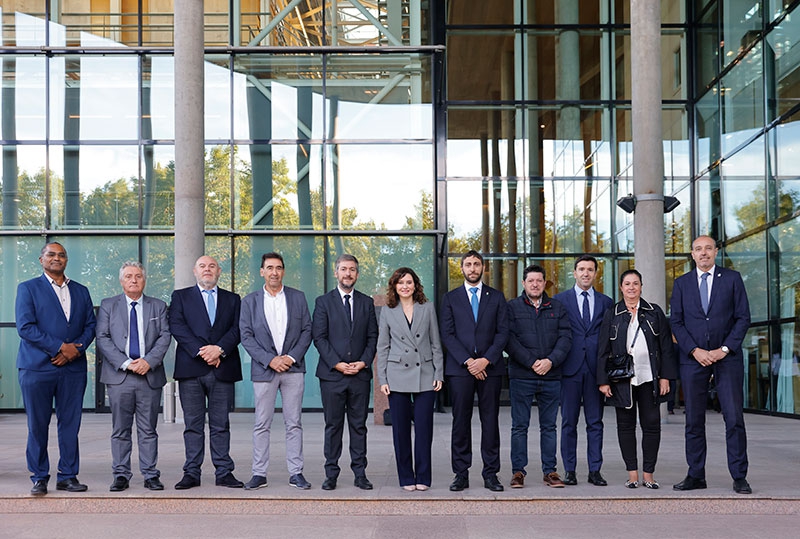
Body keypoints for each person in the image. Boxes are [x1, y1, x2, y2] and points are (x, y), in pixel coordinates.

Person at [670, 235, 752, 494]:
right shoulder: (681, 284)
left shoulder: (732, 279)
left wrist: (723, 349)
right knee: (693, 420)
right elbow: (676, 322)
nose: (703, 253)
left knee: (734, 417)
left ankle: (739, 476)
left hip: (726, 359)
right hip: (693, 360)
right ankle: (696, 475)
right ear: (692, 254)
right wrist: (695, 350)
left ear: (716, 251)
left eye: (708, 248)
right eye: (698, 249)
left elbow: (743, 318)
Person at [15, 242, 96, 496]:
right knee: (37, 425)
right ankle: (39, 476)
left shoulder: (81, 291)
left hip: (73, 370)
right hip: (37, 368)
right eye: (51, 254)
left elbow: (91, 325)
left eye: (61, 255)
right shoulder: (28, 288)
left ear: (66, 260)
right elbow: (25, 327)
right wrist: (60, 347)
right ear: (41, 259)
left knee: (70, 424)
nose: (56, 258)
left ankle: (68, 476)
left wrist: (76, 349)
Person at [597, 269, 677, 489]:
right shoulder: (612, 313)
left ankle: (648, 474)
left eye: (635, 283)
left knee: (652, 425)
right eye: (627, 284)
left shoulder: (654, 312)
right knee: (625, 426)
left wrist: (666, 377)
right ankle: (632, 474)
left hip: (650, 378)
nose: (631, 288)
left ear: (641, 286)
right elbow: (602, 349)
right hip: (622, 380)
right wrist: (603, 380)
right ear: (621, 287)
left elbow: (666, 349)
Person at [169, 255, 244, 489]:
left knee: (221, 423)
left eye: (212, 266)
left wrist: (219, 349)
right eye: (202, 266)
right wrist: (203, 352)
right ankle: (192, 472)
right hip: (191, 368)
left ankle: (224, 472)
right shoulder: (180, 297)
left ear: (219, 271)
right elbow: (177, 327)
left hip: (223, 367)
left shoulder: (233, 299)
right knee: (193, 424)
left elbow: (238, 328)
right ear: (195, 271)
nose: (207, 269)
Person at [96, 261, 172, 492]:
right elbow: (102, 338)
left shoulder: (158, 306)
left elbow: (165, 336)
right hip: (120, 376)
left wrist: (148, 361)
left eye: (138, 276)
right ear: (121, 280)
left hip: (149, 375)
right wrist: (127, 363)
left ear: (144, 280)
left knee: (148, 429)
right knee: (120, 429)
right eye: (128, 276)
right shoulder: (109, 305)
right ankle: (121, 474)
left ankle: (150, 475)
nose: (133, 280)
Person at [240, 253, 313, 490]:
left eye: (278, 268)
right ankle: (259, 473)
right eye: (269, 268)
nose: (274, 272)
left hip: (293, 369)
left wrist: (290, 358)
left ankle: (296, 472)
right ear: (262, 271)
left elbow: (306, 331)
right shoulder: (249, 301)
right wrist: (270, 360)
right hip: (264, 370)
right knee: (262, 423)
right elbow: (246, 337)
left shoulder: (298, 298)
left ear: (283, 271)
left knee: (294, 423)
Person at [439, 250, 509, 492]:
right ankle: (461, 473)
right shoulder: (450, 298)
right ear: (462, 268)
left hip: (491, 369)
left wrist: (485, 360)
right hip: (461, 370)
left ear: (483, 268)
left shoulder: (497, 297)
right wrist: (470, 361)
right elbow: (447, 334)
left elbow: (503, 333)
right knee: (461, 422)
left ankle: (491, 474)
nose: (472, 268)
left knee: (490, 422)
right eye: (468, 264)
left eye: (476, 264)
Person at [312, 254, 378, 491]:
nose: (348, 273)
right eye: (343, 269)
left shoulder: (366, 302)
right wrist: (337, 363)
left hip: (360, 375)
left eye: (352, 270)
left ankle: (360, 474)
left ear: (357, 274)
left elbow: (373, 336)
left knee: (359, 426)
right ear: (336, 272)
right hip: (332, 375)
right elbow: (318, 337)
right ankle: (331, 474)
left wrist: (363, 362)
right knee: (333, 426)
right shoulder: (323, 302)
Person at [376, 267, 444, 491]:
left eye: (409, 282)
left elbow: (436, 343)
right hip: (396, 375)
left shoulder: (427, 308)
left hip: (425, 373)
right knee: (401, 430)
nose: (405, 286)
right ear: (394, 286)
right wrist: (382, 378)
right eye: (400, 282)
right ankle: (406, 477)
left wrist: (438, 373)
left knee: (424, 429)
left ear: (416, 285)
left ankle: (423, 476)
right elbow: (383, 347)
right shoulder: (388, 311)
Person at [506, 264, 571, 489]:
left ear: (544, 283)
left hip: (551, 375)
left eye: (539, 280)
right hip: (521, 375)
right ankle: (518, 472)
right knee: (519, 426)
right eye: (530, 280)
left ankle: (550, 471)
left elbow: (565, 338)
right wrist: (531, 362)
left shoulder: (557, 307)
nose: (535, 284)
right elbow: (509, 339)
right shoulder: (512, 308)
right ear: (523, 283)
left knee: (549, 426)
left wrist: (550, 361)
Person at [553, 254, 614, 486]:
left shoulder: (606, 302)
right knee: (568, 421)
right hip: (569, 369)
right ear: (574, 272)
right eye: (581, 269)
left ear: (596, 273)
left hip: (596, 371)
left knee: (595, 422)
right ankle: (570, 470)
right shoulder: (560, 300)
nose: (586, 273)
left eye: (590, 269)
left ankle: (595, 470)